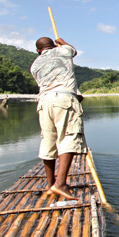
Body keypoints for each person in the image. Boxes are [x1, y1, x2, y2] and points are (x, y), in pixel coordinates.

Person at [30, 36, 86, 200]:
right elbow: (74, 50)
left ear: (38, 50)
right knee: (69, 138)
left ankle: (50, 185)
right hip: (63, 99)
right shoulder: (62, 51)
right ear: (53, 46)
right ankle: (60, 184)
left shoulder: (34, 65)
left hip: (44, 102)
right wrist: (62, 42)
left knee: (48, 141)